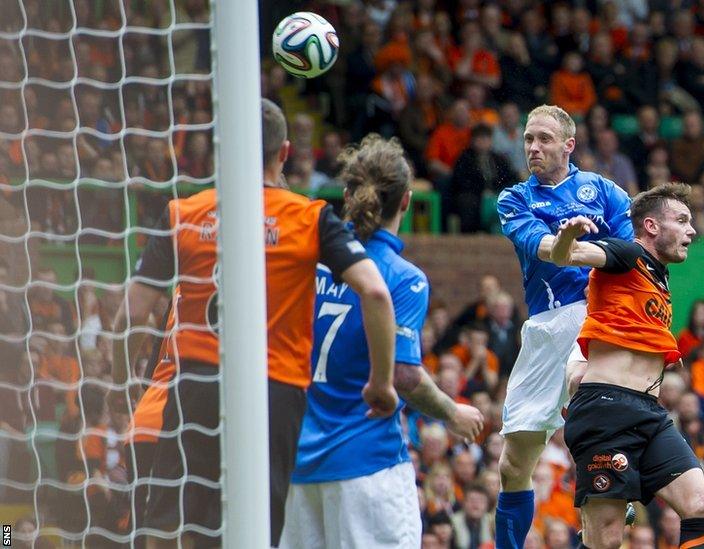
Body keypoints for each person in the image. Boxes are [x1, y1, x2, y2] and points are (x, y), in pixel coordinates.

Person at [111, 99, 399, 548]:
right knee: (255, 531)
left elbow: (131, 313)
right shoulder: (309, 216)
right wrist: (381, 383)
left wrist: (121, 379)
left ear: (223, 148)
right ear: (284, 152)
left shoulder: (183, 213)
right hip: (274, 390)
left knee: (171, 524)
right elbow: (377, 293)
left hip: (196, 386)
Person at [280, 135, 484, 549]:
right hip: (366, 463)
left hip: (297, 469)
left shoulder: (309, 261)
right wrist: (451, 412)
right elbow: (405, 376)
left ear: (349, 194)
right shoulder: (402, 277)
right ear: (406, 201)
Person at [494, 104, 634, 549]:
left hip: (597, 315)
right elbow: (547, 251)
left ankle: (616, 471)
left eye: (544, 139)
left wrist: (581, 246)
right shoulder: (514, 198)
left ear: (569, 145)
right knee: (513, 466)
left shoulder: (606, 190)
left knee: (594, 424)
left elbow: (630, 254)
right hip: (546, 328)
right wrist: (571, 237)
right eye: (529, 139)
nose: (533, 147)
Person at [551, 184, 704, 549]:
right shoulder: (628, 253)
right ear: (652, 226)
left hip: (648, 413)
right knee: (605, 540)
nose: (692, 230)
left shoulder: (658, 275)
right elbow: (568, 256)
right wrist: (567, 238)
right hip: (607, 412)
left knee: (701, 502)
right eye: (682, 220)